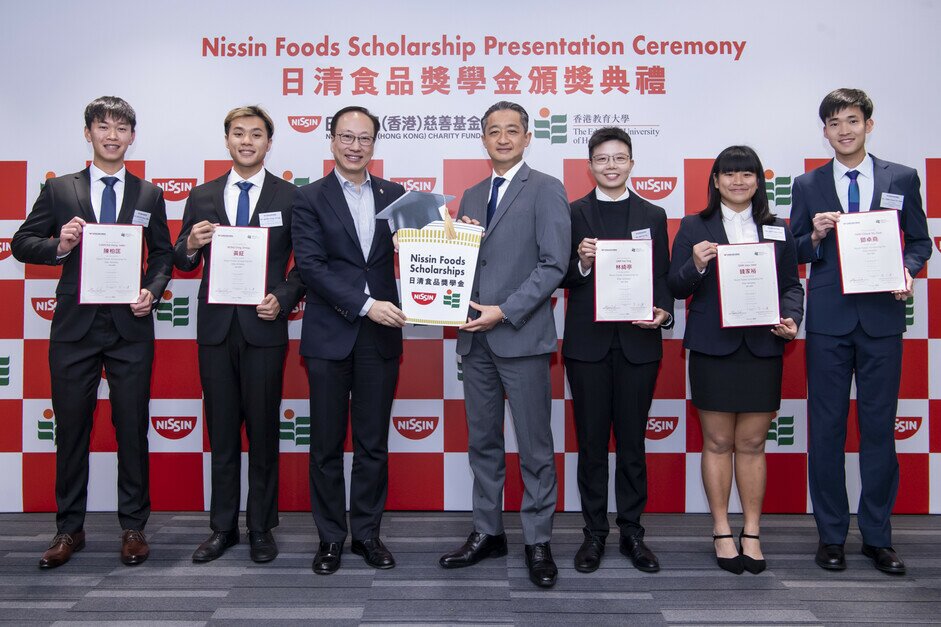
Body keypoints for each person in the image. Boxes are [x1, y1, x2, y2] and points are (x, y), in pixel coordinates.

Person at [11, 96, 172, 568]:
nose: (113, 135)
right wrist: (59, 244)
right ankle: (68, 530)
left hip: (131, 327)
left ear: (132, 136)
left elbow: (162, 255)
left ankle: (133, 527)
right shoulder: (60, 189)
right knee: (72, 430)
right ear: (88, 133)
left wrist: (153, 290)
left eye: (122, 128)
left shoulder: (149, 194)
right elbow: (22, 242)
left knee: (132, 429)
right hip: (74, 328)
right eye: (103, 126)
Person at [790, 88, 931, 575]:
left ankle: (878, 537)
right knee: (826, 432)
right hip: (829, 322)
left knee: (878, 433)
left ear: (869, 124)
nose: (843, 130)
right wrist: (814, 235)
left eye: (852, 120)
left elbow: (919, 242)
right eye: (834, 123)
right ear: (824, 131)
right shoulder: (807, 184)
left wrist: (908, 269)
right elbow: (794, 252)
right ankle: (831, 536)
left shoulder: (903, 177)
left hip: (881, 321)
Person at [438, 101, 570, 588]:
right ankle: (487, 531)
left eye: (512, 130)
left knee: (535, 446)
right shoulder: (470, 195)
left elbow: (554, 265)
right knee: (483, 444)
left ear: (528, 136)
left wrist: (505, 310)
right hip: (475, 341)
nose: (503, 138)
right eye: (494, 131)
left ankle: (538, 540)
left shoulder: (547, 189)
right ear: (483, 138)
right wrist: (431, 248)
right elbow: (460, 264)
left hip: (521, 336)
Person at [174, 106, 305, 564]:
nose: (247, 141)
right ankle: (222, 527)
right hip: (215, 328)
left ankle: (261, 527)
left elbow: (304, 267)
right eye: (238, 133)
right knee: (223, 433)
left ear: (270, 143)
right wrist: (190, 244)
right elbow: (182, 259)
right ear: (226, 141)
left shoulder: (291, 197)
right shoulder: (203, 195)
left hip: (265, 327)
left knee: (265, 433)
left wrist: (283, 298)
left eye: (256, 134)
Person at [668, 145, 803, 574]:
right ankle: (722, 530)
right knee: (718, 442)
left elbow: (791, 287)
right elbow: (675, 284)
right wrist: (696, 264)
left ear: (759, 181)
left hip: (763, 347)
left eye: (747, 174)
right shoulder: (694, 225)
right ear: (715, 180)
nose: (738, 181)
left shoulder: (777, 228)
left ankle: (752, 532)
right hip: (713, 347)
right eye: (729, 174)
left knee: (752, 444)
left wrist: (792, 319)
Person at [292, 106, 405, 574]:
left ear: (375, 143)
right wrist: (364, 304)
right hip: (330, 332)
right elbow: (311, 268)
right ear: (331, 139)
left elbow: (424, 252)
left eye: (364, 138)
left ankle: (367, 535)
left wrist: (455, 240)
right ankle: (330, 539)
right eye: (346, 137)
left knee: (373, 443)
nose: (355, 145)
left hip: (380, 337)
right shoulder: (308, 198)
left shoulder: (396, 196)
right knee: (325, 444)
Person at [561, 127, 673, 574]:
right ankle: (593, 533)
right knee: (590, 445)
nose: (611, 166)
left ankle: (632, 532)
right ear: (590, 165)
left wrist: (663, 313)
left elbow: (662, 276)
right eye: (602, 159)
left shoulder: (655, 213)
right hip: (587, 345)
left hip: (638, 344)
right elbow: (559, 276)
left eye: (619, 158)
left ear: (631, 163)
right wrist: (583, 261)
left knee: (631, 444)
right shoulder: (572, 213)